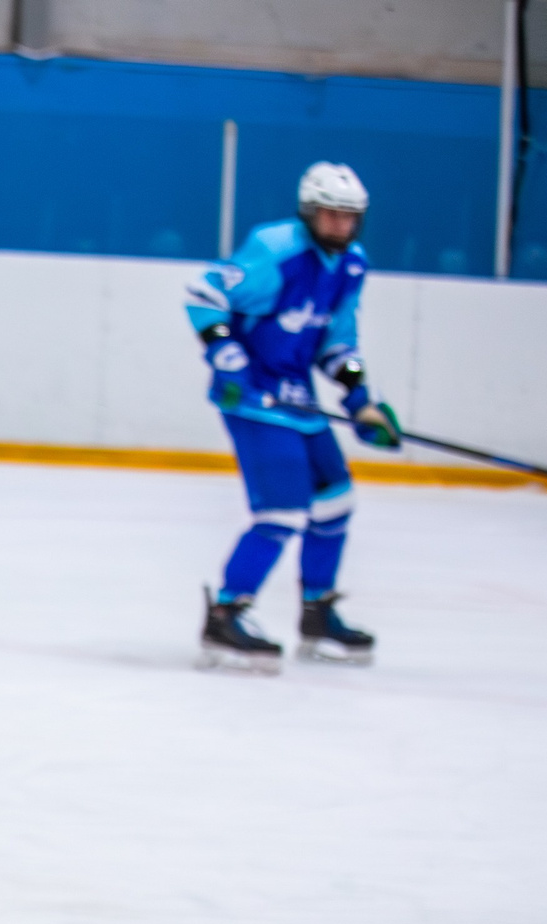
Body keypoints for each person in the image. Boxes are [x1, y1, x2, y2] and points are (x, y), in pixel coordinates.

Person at [186, 161, 398, 671]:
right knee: (281, 511)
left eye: (350, 218)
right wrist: (228, 360)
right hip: (255, 401)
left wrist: (358, 399)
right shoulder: (276, 249)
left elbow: (336, 340)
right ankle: (227, 613)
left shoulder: (351, 265)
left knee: (335, 502)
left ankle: (317, 612)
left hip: (298, 401)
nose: (341, 227)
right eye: (331, 217)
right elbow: (205, 295)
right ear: (309, 212)